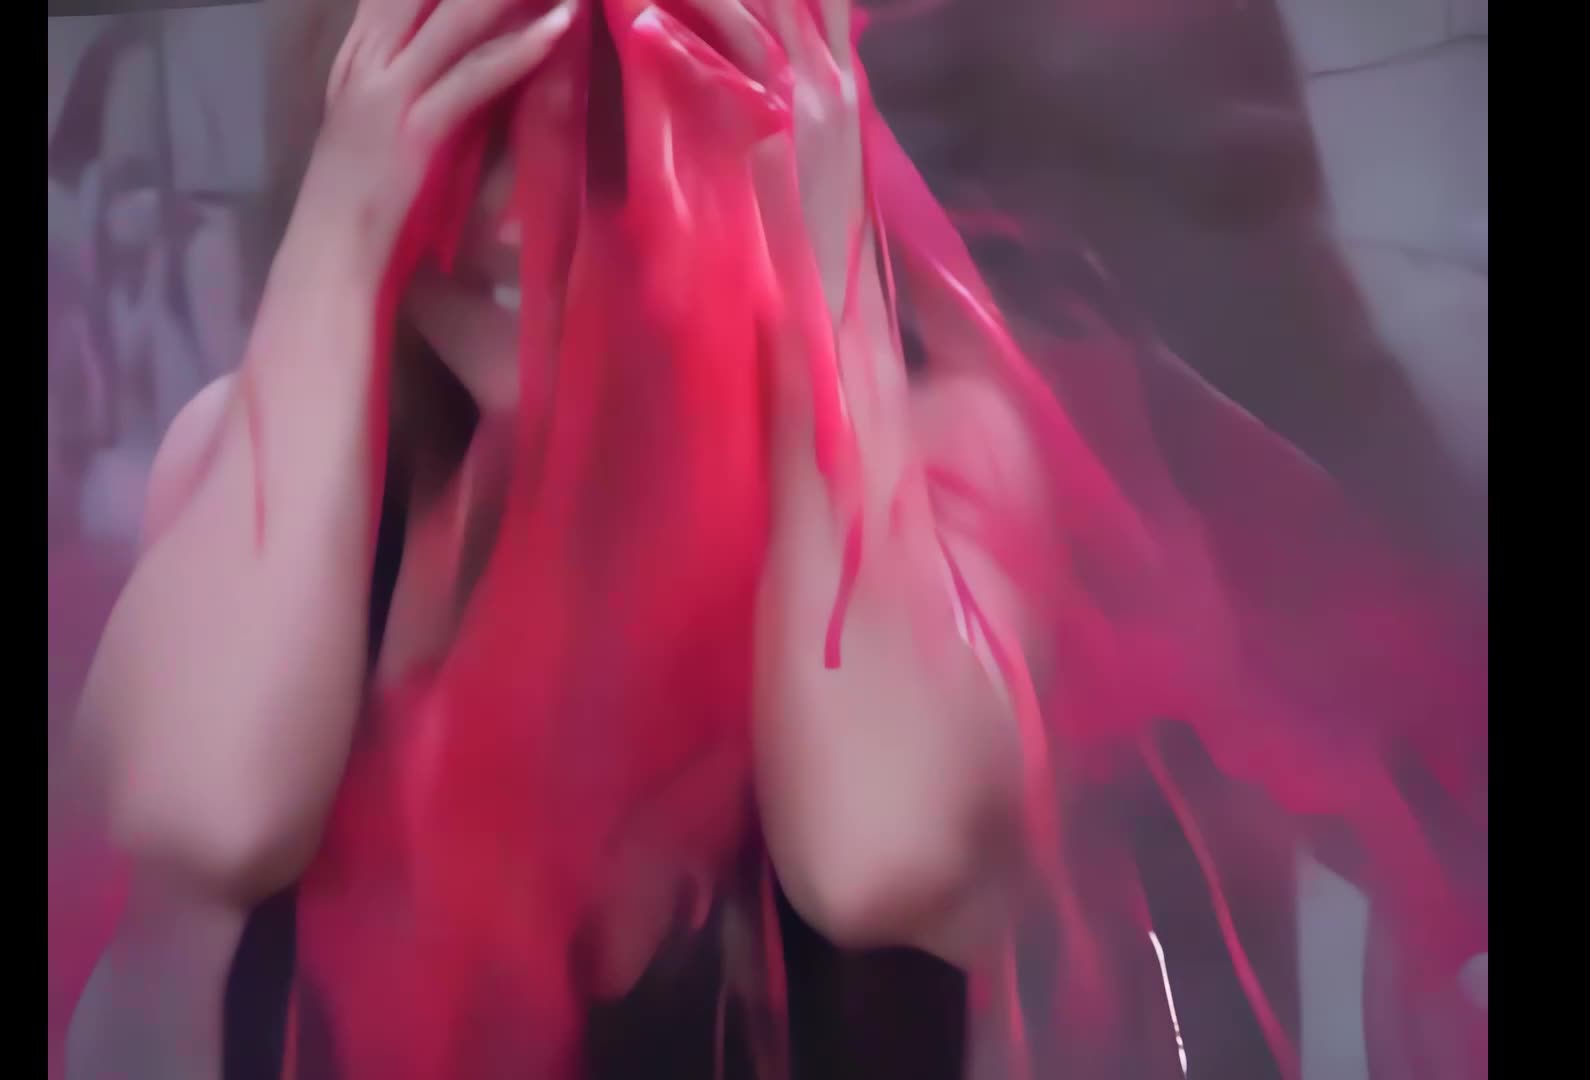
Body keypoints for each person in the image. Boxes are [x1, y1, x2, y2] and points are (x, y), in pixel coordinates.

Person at [68, 0, 1046, 1076]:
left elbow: (881, 858)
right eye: (465, 133)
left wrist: (821, 257)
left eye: (612, 140)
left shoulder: (940, 467)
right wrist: (341, 236)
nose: (516, 222)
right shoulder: (248, 465)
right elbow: (189, 827)